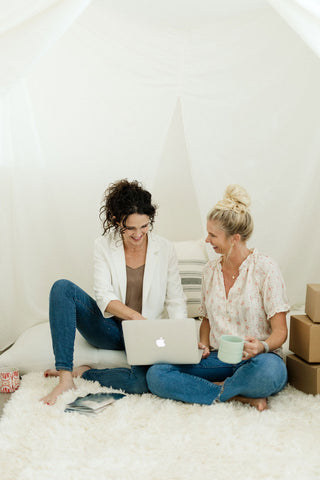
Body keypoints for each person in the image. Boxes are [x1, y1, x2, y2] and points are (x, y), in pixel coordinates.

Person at [41, 179, 187, 405]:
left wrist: (179, 338)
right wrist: (133, 316)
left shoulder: (165, 249)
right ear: (117, 221)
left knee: (140, 383)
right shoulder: (103, 245)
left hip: (146, 334)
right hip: (110, 328)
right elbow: (103, 296)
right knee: (62, 288)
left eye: (145, 226)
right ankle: (66, 378)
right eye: (131, 228)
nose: (139, 234)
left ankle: (86, 373)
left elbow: (176, 299)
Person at [146, 184, 289, 411]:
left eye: (213, 235)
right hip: (218, 359)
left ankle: (208, 390)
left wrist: (262, 346)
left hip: (258, 360)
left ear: (235, 238)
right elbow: (206, 320)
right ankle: (236, 395)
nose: (207, 240)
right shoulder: (209, 271)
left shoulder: (265, 268)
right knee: (156, 374)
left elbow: (280, 331)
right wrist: (202, 344)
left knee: (270, 374)